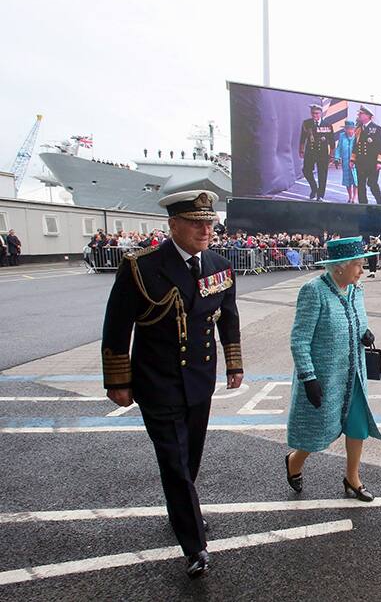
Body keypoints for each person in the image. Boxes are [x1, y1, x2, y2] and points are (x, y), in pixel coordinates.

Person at [101, 190, 243, 578]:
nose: (204, 230)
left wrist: (234, 364)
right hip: (157, 380)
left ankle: (184, 509)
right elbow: (117, 325)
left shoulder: (218, 265)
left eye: (209, 223)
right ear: (173, 225)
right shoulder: (141, 267)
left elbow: (228, 317)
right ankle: (194, 543)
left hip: (200, 378)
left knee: (191, 455)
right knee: (174, 462)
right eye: (196, 223)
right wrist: (118, 379)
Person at [285, 237, 381, 499]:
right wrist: (308, 377)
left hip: (354, 374)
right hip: (325, 377)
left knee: (357, 425)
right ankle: (294, 462)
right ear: (340, 266)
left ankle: (352, 478)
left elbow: (358, 321)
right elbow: (299, 339)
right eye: (358, 265)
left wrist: (365, 333)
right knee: (317, 430)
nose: (362, 270)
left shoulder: (356, 289)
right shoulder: (313, 291)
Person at [299, 104, 335, 201]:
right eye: (313, 113)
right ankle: (314, 188)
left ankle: (320, 195)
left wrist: (332, 155)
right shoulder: (307, 123)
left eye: (317, 113)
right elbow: (303, 138)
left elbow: (332, 141)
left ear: (321, 113)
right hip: (310, 151)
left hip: (322, 153)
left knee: (322, 174)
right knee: (306, 171)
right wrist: (301, 149)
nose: (314, 115)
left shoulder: (327, 124)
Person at [352, 106, 381, 205]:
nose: (359, 115)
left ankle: (379, 202)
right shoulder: (358, 129)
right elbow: (356, 145)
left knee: (372, 183)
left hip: (372, 163)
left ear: (367, 116)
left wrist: (380, 162)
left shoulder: (377, 129)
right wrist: (352, 159)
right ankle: (363, 204)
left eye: (361, 114)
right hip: (360, 162)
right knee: (361, 184)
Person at [333, 121, 358, 203]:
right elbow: (339, 148)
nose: (349, 131)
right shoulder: (342, 136)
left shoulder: (358, 136)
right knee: (347, 180)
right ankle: (350, 197)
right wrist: (336, 158)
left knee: (355, 180)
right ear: (345, 129)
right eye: (347, 129)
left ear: (354, 129)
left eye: (351, 129)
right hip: (345, 161)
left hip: (355, 161)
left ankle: (355, 197)